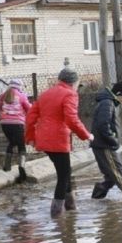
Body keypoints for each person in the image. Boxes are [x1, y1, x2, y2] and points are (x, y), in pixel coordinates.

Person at [25, 67, 94, 217]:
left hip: (44, 140)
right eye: (78, 84)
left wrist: (30, 137)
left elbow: (30, 117)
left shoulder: (45, 94)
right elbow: (71, 119)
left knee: (65, 172)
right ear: (74, 82)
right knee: (63, 175)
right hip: (58, 140)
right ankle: (56, 214)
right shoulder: (70, 94)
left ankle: (71, 206)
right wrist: (86, 135)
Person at [90, 81, 122, 201]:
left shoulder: (107, 102)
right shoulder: (107, 104)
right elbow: (103, 126)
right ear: (118, 95)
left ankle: (97, 197)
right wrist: (113, 141)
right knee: (119, 171)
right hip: (104, 145)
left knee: (110, 175)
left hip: (101, 144)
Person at [0, 79, 32, 183]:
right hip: (17, 123)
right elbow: (28, 109)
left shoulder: (3, 95)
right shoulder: (22, 95)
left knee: (12, 142)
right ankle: (22, 168)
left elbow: (0, 107)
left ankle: (7, 166)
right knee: (21, 145)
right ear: (19, 86)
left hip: (4, 123)